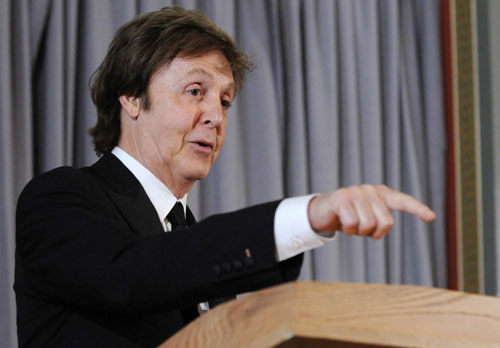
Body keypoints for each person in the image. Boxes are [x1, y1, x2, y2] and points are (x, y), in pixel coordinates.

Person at [14, 6, 436, 348]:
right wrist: (306, 216)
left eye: (225, 100)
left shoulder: (191, 237)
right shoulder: (60, 198)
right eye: (195, 91)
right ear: (131, 97)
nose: (216, 116)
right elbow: (132, 277)